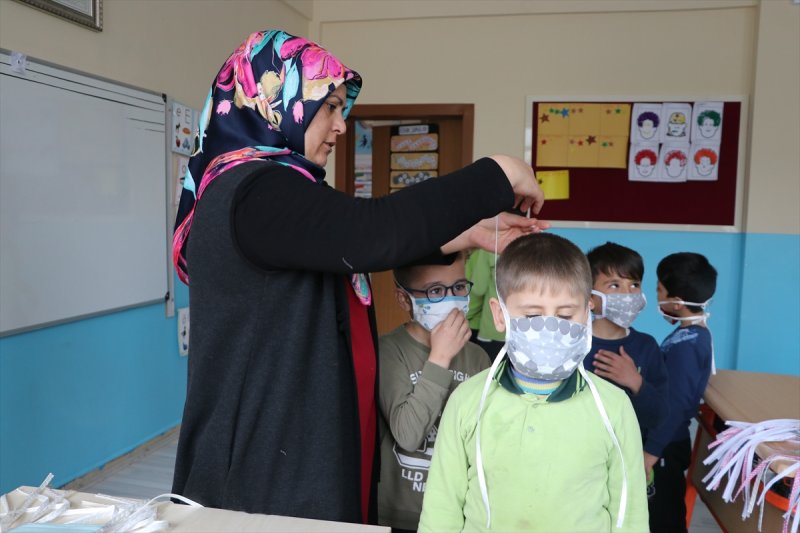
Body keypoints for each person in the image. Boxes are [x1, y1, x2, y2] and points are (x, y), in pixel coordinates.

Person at [170, 29, 546, 525]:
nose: (341, 125)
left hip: (281, 450)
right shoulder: (256, 191)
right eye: (329, 107)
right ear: (274, 101)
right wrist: (498, 172)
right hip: (262, 472)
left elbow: (346, 247)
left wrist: (468, 233)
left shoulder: (257, 188)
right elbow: (372, 234)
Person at [418, 233, 649, 532]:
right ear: (500, 316)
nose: (550, 327)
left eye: (566, 315)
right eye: (531, 315)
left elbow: (629, 513)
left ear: (587, 313)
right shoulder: (466, 401)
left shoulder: (613, 407)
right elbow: (442, 508)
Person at [377, 252, 490, 532]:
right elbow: (408, 435)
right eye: (436, 291)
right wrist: (439, 358)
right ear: (404, 299)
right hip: (401, 515)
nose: (451, 300)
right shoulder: (389, 351)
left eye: (460, 287)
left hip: (458, 514)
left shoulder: (478, 358)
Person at [582, 242, 669, 495]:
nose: (628, 294)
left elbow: (660, 415)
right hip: (580, 465)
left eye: (634, 285)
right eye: (614, 285)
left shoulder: (646, 347)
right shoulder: (573, 343)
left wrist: (636, 382)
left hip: (626, 465)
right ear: (590, 299)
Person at [645, 252, 717, 533]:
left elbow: (676, 404)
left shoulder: (687, 345)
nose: (657, 297)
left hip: (664, 444)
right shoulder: (692, 334)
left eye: (659, 290)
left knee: (664, 517)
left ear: (676, 303)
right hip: (666, 441)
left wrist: (651, 452)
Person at [465, 249, 504, 361]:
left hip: (493, 329)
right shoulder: (536, 246)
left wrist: (464, 317)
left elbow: (478, 289)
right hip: (524, 330)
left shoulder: (489, 249)